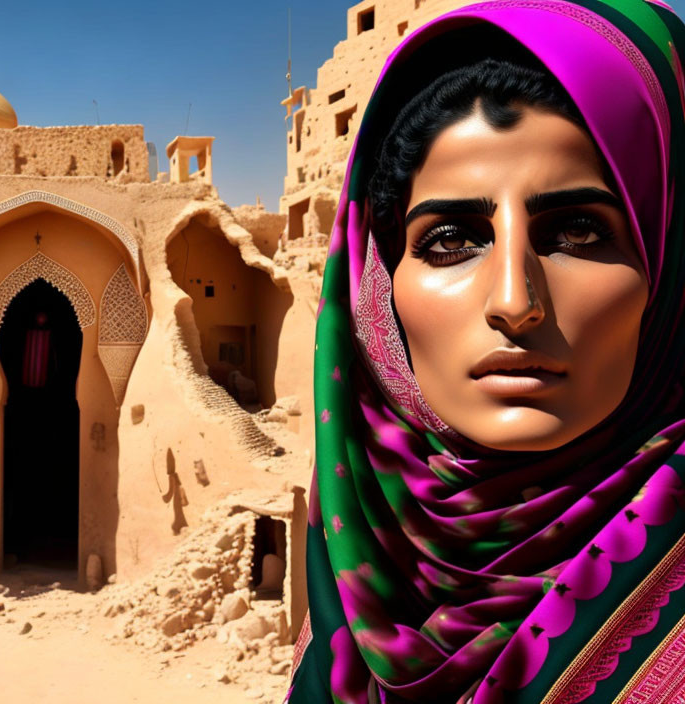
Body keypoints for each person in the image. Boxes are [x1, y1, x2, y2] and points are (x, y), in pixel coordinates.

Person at [288, 1, 685, 701]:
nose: (513, 300)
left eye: (578, 232)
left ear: (668, 259)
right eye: (451, 240)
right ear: (379, 283)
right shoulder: (368, 545)